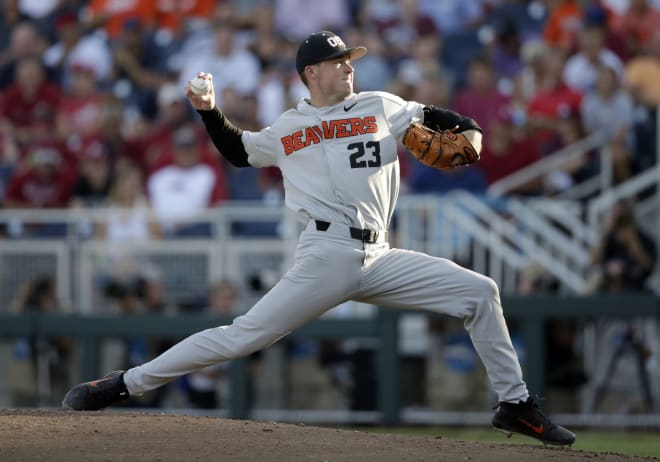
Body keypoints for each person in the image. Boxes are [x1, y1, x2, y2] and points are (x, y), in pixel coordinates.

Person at [62, 30, 576, 446]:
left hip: (380, 253)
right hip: (326, 253)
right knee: (242, 336)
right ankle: (125, 383)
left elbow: (449, 121)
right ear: (312, 73)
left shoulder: (381, 104)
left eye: (351, 60)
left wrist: (472, 133)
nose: (350, 66)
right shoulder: (290, 126)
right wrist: (208, 110)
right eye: (339, 61)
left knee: (480, 291)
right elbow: (241, 153)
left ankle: (516, 405)